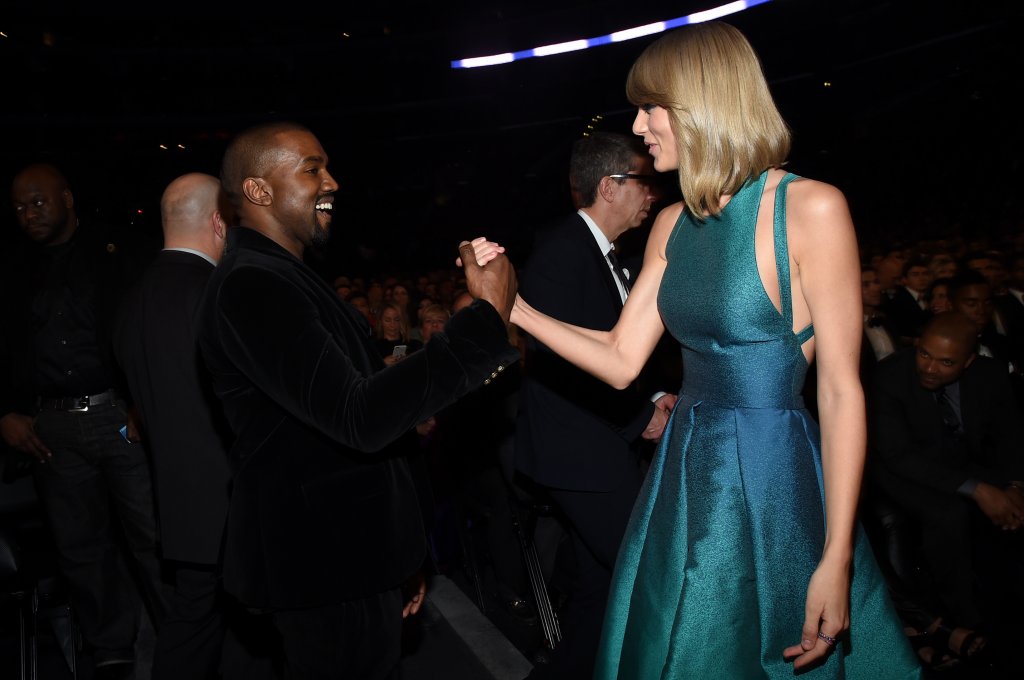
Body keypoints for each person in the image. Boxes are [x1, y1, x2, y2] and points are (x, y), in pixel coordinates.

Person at [499, 22, 919, 678]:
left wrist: (836, 557)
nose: (639, 128)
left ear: (702, 102)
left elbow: (840, 391)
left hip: (773, 469)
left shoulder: (809, 209)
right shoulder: (671, 223)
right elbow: (619, 359)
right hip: (685, 470)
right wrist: (512, 306)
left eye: (650, 109)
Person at [195, 121, 518, 680]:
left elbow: (360, 418)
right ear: (258, 190)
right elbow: (359, 417)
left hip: (350, 557)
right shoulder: (253, 285)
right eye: (312, 168)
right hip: (323, 564)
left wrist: (402, 553)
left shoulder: (288, 277)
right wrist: (482, 321)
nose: (333, 182)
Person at [513, 131, 675, 679]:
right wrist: (641, 415)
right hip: (579, 454)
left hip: (598, 445)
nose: (651, 193)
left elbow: (613, 348)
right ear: (609, 186)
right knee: (647, 573)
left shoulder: (609, 254)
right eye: (642, 182)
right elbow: (562, 365)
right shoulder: (560, 254)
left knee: (601, 591)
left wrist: (652, 395)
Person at [0, 162, 166, 680]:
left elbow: (152, 327)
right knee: (81, 546)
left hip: (119, 415)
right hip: (51, 428)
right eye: (20, 206)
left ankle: (179, 637)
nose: (29, 213)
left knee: (153, 536)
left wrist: (144, 401)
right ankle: (111, 647)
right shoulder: (10, 267)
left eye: (39, 201)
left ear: (67, 198)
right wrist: (3, 412)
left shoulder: (122, 250)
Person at [113, 173, 279, 680]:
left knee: (196, 632)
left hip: (180, 510)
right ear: (219, 222)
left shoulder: (129, 304)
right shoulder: (218, 295)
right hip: (237, 506)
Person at [866, 311, 1023, 665]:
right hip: (900, 469)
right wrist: (979, 489)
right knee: (947, 514)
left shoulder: (990, 375)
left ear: (968, 361)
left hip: (963, 462)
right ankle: (962, 618)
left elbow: (1010, 436)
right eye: (925, 354)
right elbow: (900, 456)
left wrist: (1015, 486)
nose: (930, 368)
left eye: (946, 362)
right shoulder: (889, 377)